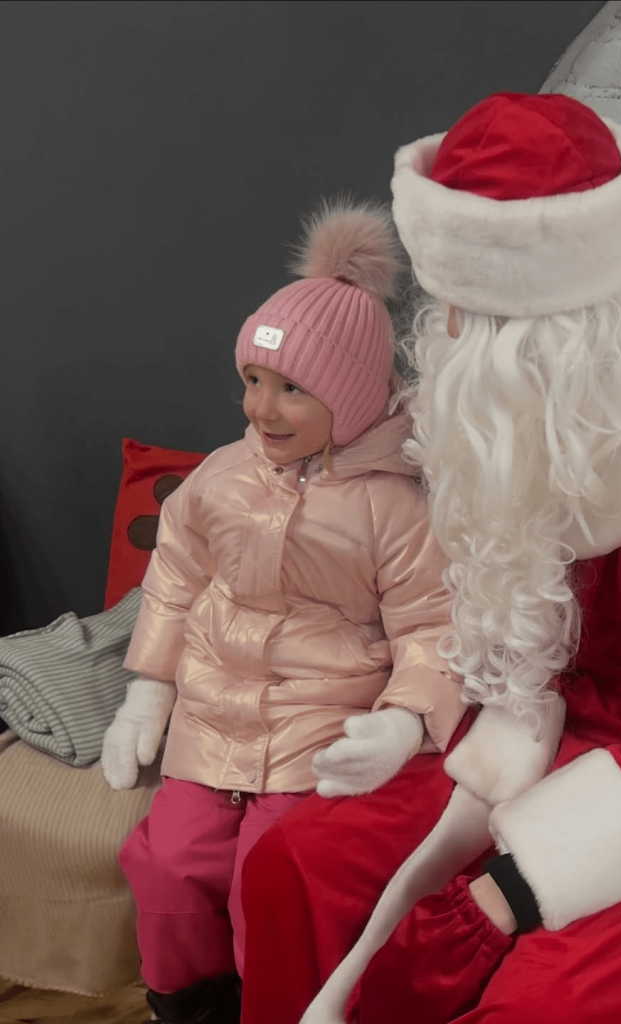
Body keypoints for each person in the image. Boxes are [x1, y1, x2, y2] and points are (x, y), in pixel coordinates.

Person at [239, 92, 621, 1024]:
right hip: (523, 718)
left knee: (546, 1005)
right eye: (448, 305)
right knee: (295, 869)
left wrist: (506, 893)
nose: (447, 338)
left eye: (472, 316)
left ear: (557, 331)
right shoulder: (528, 403)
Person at [99, 201, 464, 1024]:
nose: (260, 408)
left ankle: (270, 1005)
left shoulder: (395, 507)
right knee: (167, 866)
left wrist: (404, 719)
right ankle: (184, 1007)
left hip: (315, 735)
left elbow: (431, 627)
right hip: (209, 725)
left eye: (292, 389)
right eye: (253, 381)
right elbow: (174, 578)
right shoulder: (223, 476)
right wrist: (147, 694)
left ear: (353, 397)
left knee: (269, 879)